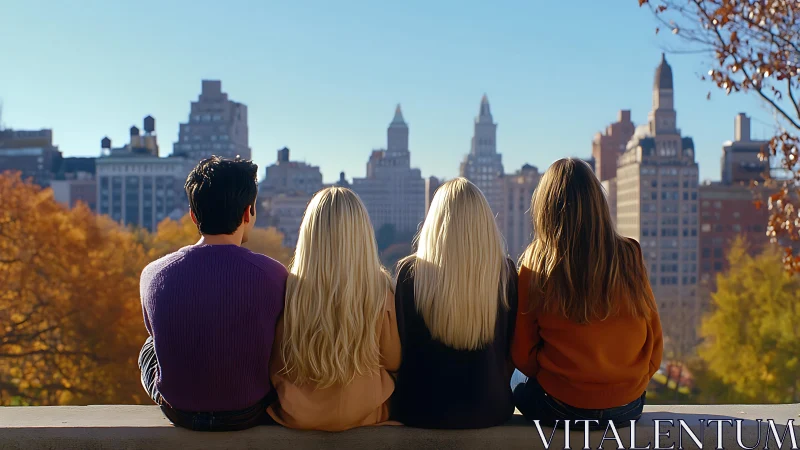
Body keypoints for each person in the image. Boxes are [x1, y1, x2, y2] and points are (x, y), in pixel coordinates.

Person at [511, 158, 663, 429]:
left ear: (545, 209)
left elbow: (522, 354)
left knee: (513, 379)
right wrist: (626, 386)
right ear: (598, 204)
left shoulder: (536, 262)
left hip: (561, 406)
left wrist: (562, 382)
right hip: (627, 407)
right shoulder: (630, 254)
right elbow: (653, 341)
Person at [138, 156, 287, 431]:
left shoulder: (153, 274)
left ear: (194, 215)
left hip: (179, 412)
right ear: (247, 213)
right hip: (247, 412)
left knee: (149, 345)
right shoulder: (275, 275)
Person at [267, 187, 400, 432]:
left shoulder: (291, 290)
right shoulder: (380, 290)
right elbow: (393, 359)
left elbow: (277, 361)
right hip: (366, 414)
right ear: (362, 235)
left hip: (298, 414)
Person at [391, 178, 518, 429]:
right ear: (484, 224)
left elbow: (402, 349)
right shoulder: (504, 273)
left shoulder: (409, 273)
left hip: (419, 409)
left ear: (434, 223)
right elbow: (509, 349)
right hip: (488, 408)